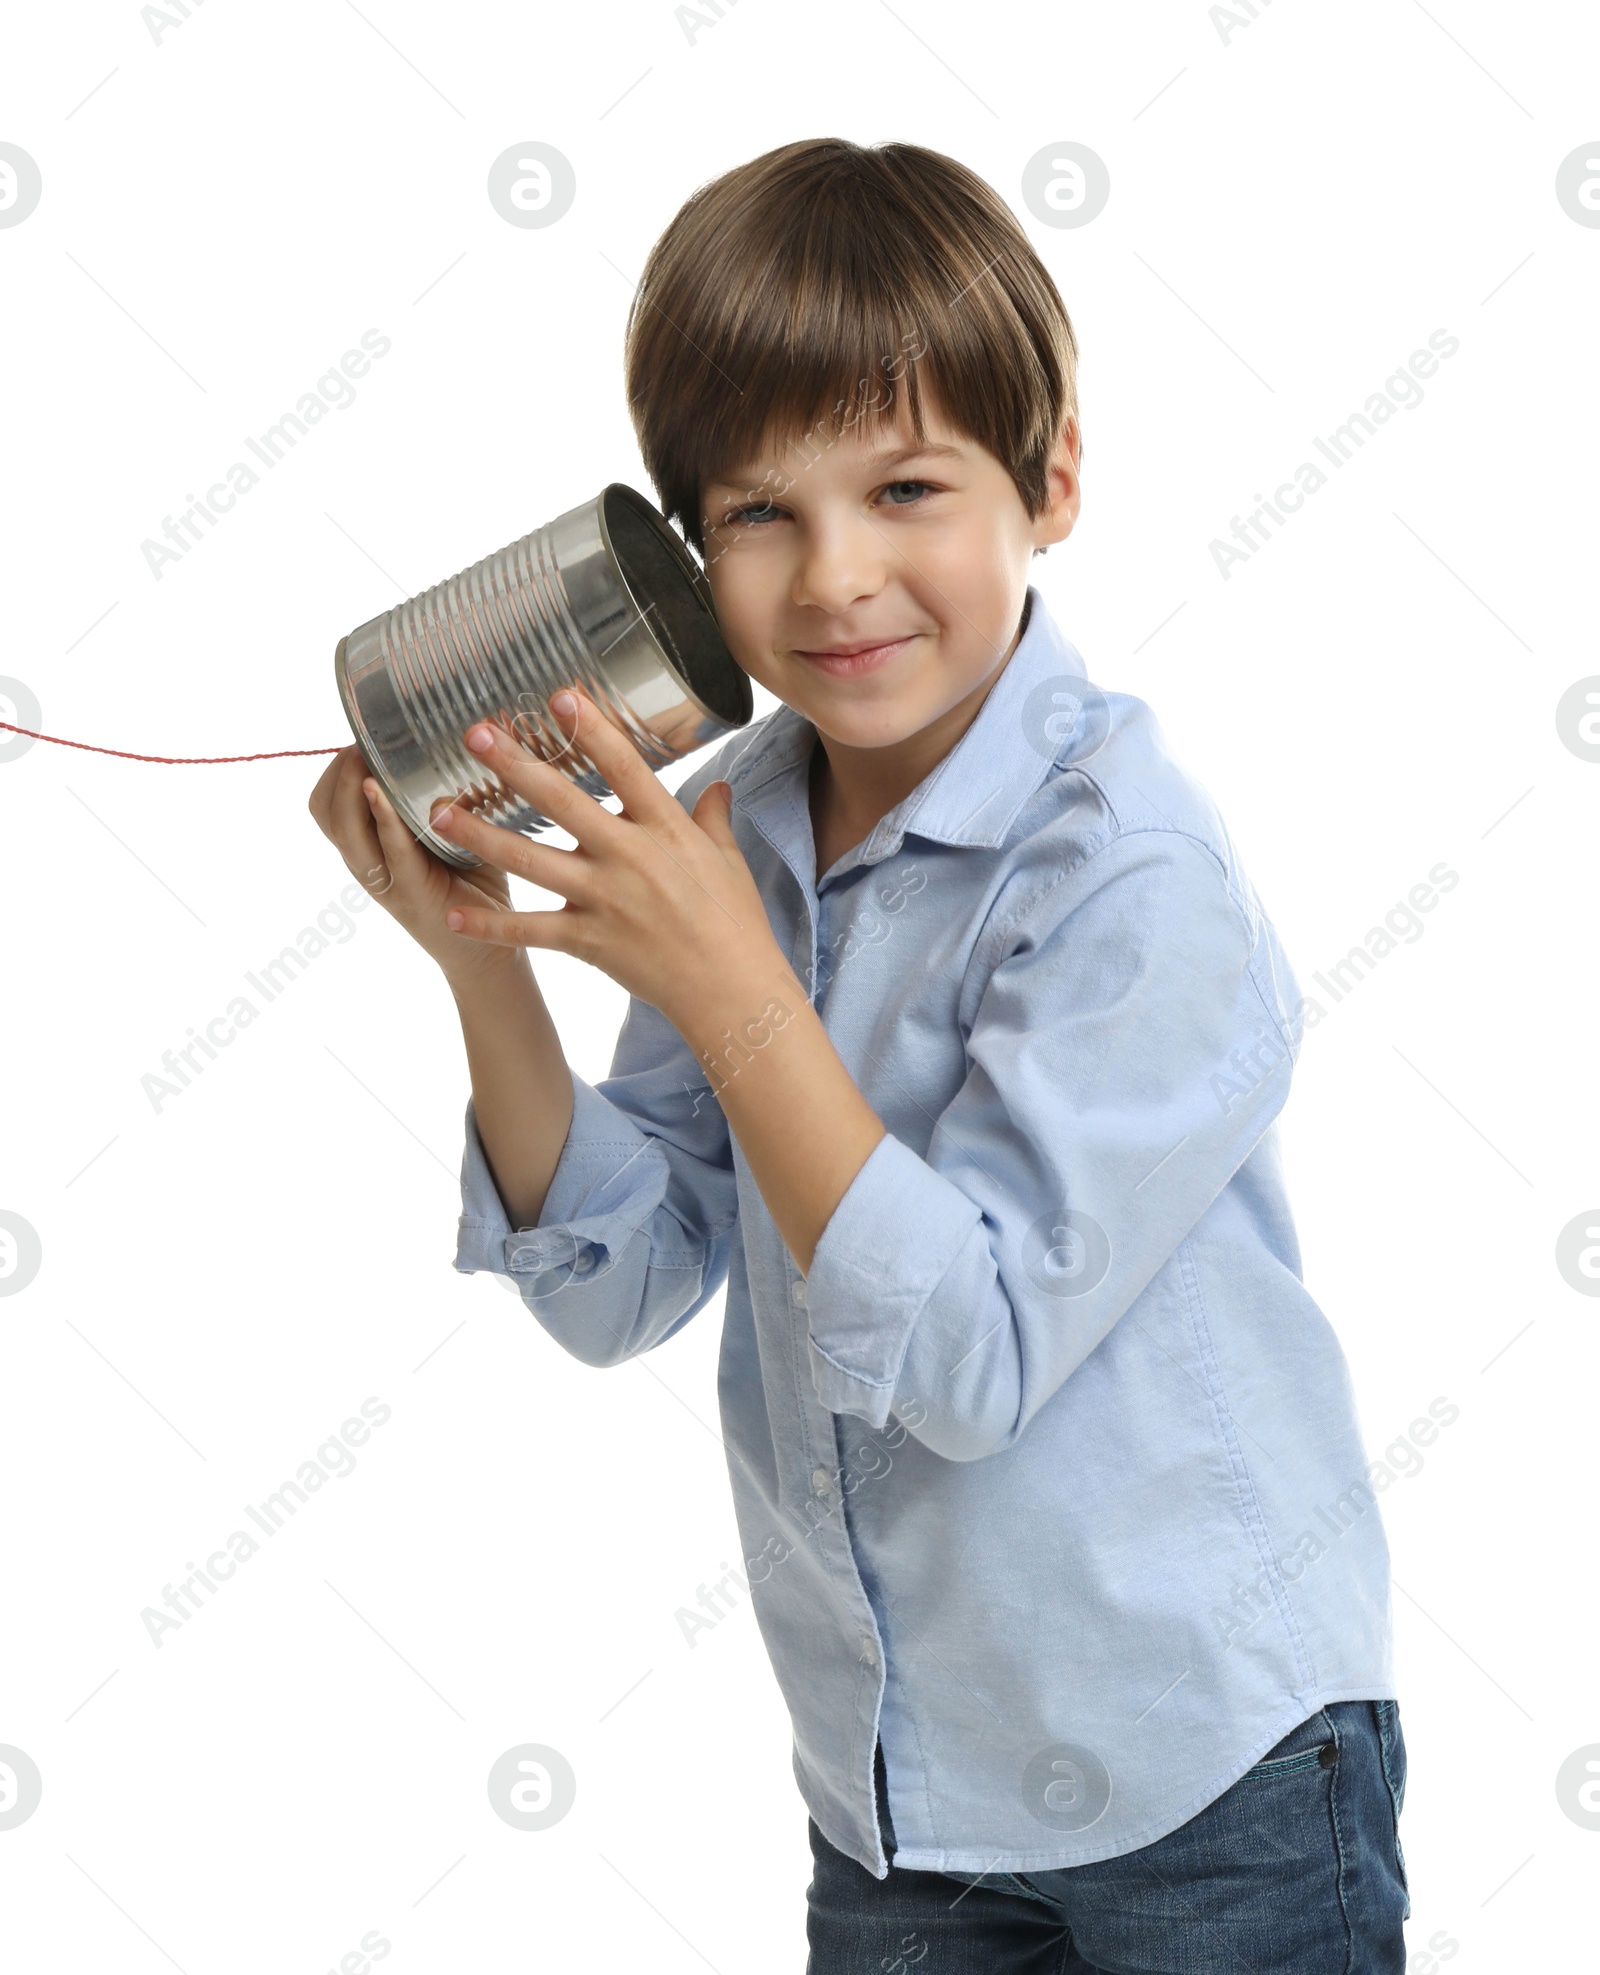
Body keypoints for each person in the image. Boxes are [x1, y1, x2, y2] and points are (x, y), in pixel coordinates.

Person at [310, 137, 1409, 1973]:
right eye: (759, 514)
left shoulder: (1129, 871)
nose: (837, 580)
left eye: (908, 487)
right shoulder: (734, 833)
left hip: (1205, 1770)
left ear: (1048, 480)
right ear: (679, 552)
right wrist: (483, 964)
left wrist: (736, 986)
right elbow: (623, 1284)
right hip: (903, 1786)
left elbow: (967, 1361)